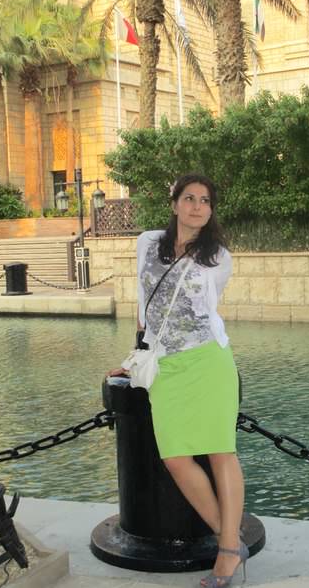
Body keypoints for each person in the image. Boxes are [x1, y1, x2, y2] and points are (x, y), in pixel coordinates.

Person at [108, 173, 248, 587]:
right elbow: (145, 306)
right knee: (175, 457)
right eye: (189, 198)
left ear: (211, 209)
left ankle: (227, 550)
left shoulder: (218, 257)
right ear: (174, 204)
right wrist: (135, 358)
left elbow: (206, 311)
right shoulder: (147, 243)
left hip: (208, 361)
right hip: (166, 366)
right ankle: (230, 537)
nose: (197, 206)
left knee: (221, 451)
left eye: (205, 200)